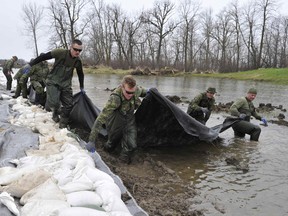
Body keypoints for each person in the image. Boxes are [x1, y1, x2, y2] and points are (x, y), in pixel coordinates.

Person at [23, 39, 85, 128]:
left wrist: (82, 87)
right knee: (55, 103)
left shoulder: (78, 61)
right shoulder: (60, 52)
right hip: (53, 82)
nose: (77, 52)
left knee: (69, 105)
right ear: (70, 47)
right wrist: (30, 64)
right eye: (75, 49)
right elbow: (44, 57)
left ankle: (63, 125)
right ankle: (55, 112)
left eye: (80, 50)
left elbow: (80, 74)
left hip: (66, 84)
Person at [87, 75, 148, 164]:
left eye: (132, 92)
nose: (130, 95)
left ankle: (122, 161)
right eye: (128, 92)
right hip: (116, 120)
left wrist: (152, 91)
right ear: (122, 87)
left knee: (132, 145)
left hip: (129, 119)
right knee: (112, 144)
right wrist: (91, 140)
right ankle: (106, 149)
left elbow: (145, 92)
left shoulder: (136, 91)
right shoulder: (115, 98)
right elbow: (101, 118)